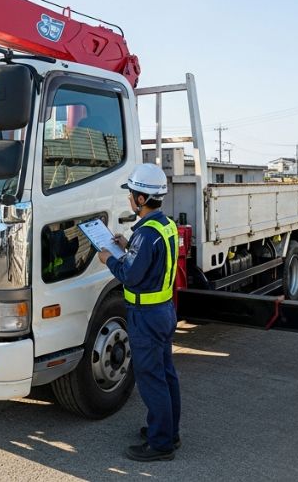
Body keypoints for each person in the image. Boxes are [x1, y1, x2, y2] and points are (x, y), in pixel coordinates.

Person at [97, 163, 182, 462]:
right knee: (166, 374)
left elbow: (130, 275)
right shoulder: (164, 226)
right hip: (163, 312)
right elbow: (148, 260)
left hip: (146, 316)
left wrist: (109, 258)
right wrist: (126, 244)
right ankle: (169, 432)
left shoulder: (146, 235)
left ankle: (160, 445)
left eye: (132, 195)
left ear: (142, 199)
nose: (129, 200)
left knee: (151, 378)